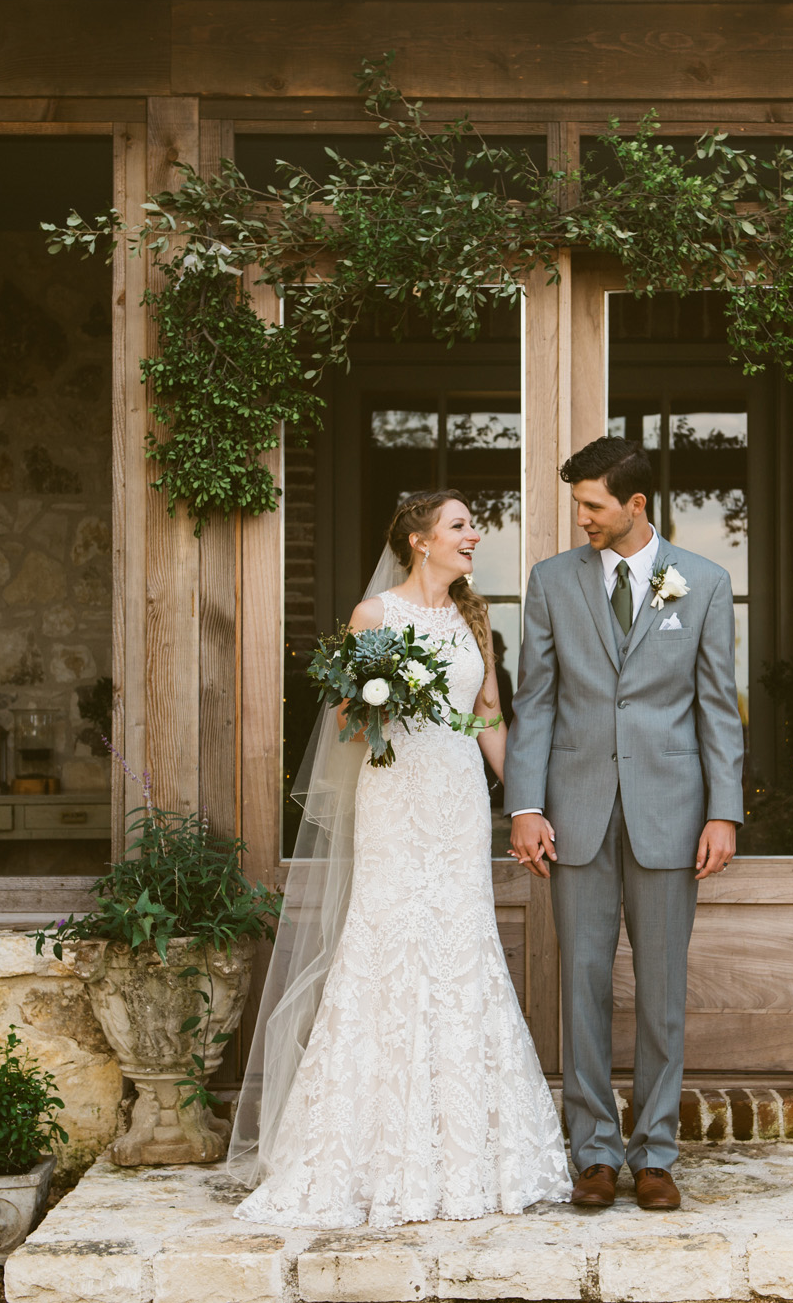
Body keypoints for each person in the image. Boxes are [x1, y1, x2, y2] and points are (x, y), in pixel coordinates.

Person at [230, 490, 569, 1229]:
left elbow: (487, 718)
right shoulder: (375, 616)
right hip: (393, 797)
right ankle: (367, 1153)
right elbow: (349, 725)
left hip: (455, 801)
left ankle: (470, 1152)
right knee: (385, 947)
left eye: (471, 527)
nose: (473, 536)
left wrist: (525, 803)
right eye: (459, 526)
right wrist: (384, 695)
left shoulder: (475, 618)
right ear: (420, 540)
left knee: (459, 949)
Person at [504, 437, 744, 1213]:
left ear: (636, 505)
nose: (582, 519)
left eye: (593, 506)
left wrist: (723, 811)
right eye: (577, 505)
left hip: (671, 814)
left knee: (663, 993)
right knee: (581, 985)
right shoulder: (549, 583)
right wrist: (527, 804)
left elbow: (718, 706)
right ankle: (595, 1153)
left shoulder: (703, 583)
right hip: (573, 814)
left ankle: (658, 1154)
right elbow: (534, 700)